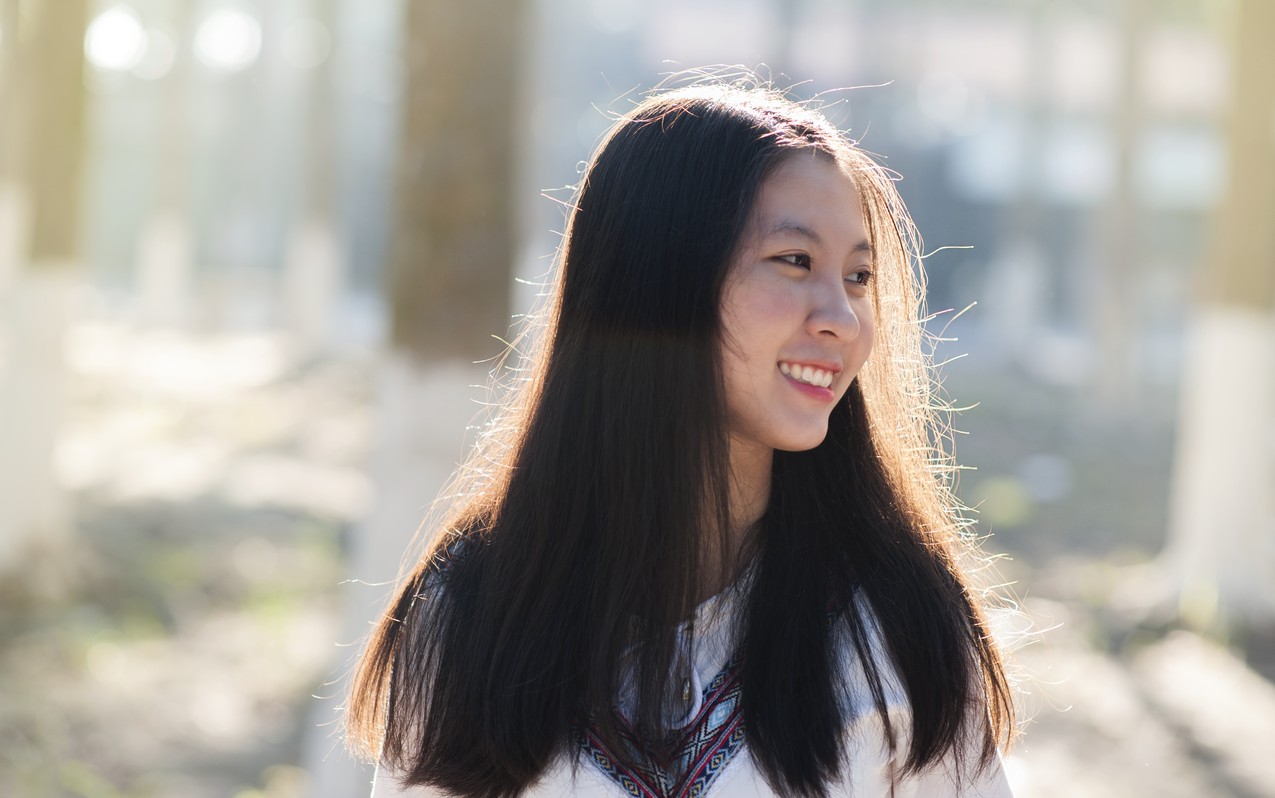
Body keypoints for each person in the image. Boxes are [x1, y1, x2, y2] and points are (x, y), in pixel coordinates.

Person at [346, 79, 1017, 798]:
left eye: (857, 277)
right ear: (659, 282)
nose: (843, 319)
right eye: (794, 261)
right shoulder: (470, 622)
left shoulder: (898, 628)